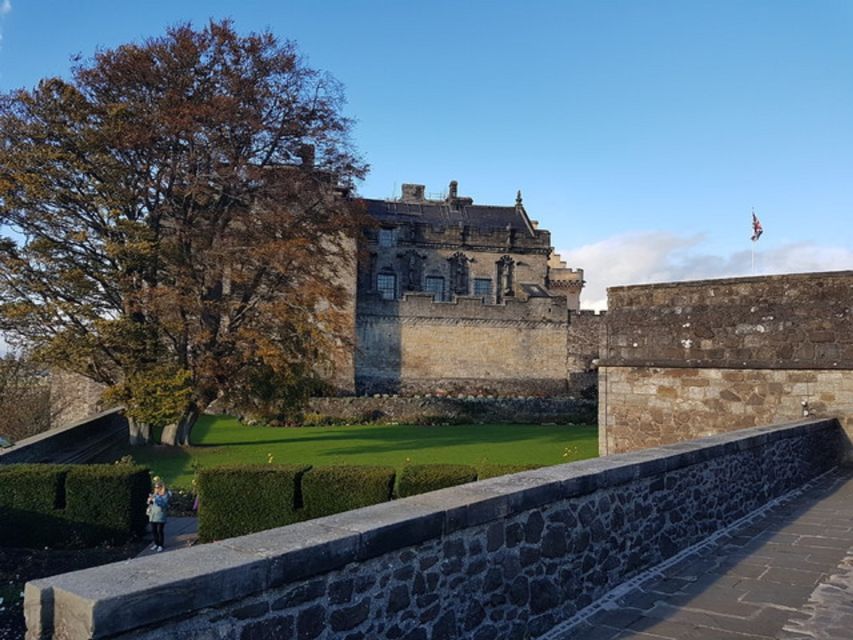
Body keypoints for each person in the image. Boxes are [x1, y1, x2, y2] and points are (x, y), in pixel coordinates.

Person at [147, 479, 171, 552]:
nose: (156, 489)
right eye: (155, 487)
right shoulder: (155, 495)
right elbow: (151, 504)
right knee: (154, 530)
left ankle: (161, 545)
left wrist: (155, 500)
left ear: (161, 487)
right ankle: (156, 543)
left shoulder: (165, 495)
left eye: (157, 487)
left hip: (160, 515)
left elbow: (163, 504)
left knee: (159, 530)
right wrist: (149, 502)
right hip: (153, 515)